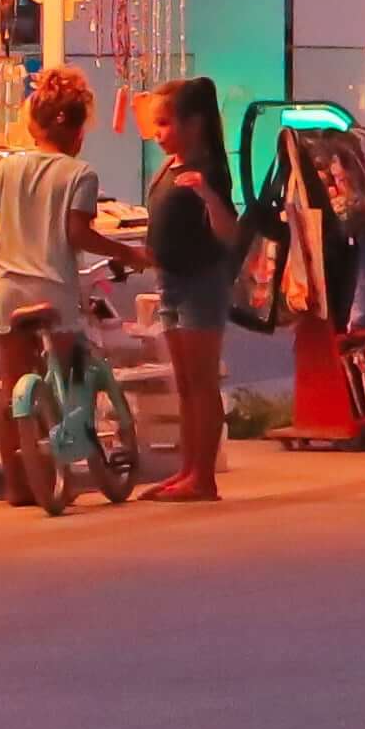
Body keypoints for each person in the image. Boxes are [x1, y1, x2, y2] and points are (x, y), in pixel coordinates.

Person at [0, 68, 125, 503]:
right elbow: (79, 235)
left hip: (10, 293)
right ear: (78, 132)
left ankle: (17, 485)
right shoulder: (81, 175)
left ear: (33, 124)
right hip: (55, 291)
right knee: (70, 379)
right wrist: (127, 253)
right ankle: (67, 465)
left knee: (11, 386)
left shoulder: (7, 169)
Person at [140, 77, 239, 503]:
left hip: (200, 281)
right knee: (184, 384)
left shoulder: (209, 170)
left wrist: (205, 193)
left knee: (202, 382)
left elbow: (229, 232)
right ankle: (188, 468)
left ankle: (204, 476)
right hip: (171, 281)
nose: (158, 134)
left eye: (165, 123)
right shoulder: (168, 166)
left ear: (193, 124)